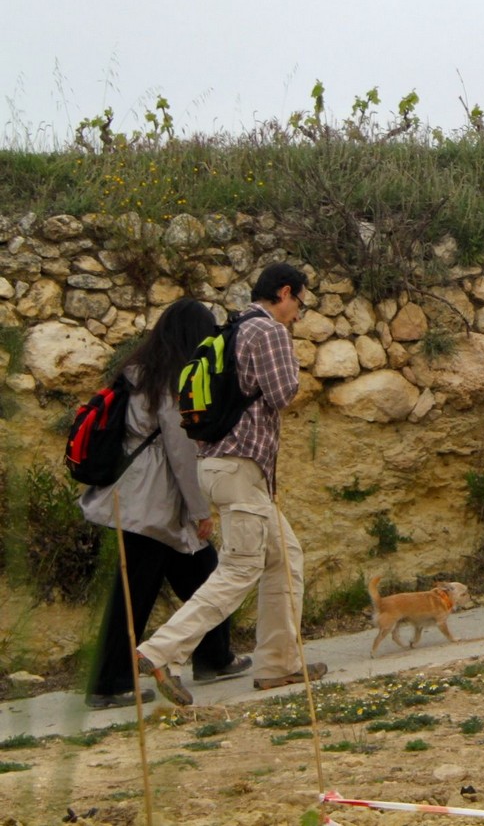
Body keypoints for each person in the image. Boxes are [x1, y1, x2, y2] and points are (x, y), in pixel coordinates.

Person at [136, 263, 321, 705]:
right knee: (239, 568)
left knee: (285, 558)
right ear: (285, 292)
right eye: (300, 302)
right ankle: (160, 652)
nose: (299, 313)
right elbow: (282, 394)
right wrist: (290, 355)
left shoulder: (231, 328)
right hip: (240, 470)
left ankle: (278, 664)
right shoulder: (270, 331)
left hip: (223, 468)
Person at [79, 298, 249, 709]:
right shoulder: (172, 381)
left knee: (204, 575)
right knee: (133, 596)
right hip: (151, 506)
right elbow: (181, 451)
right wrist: (200, 512)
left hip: (141, 500)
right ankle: (107, 685)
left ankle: (214, 657)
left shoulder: (140, 372)